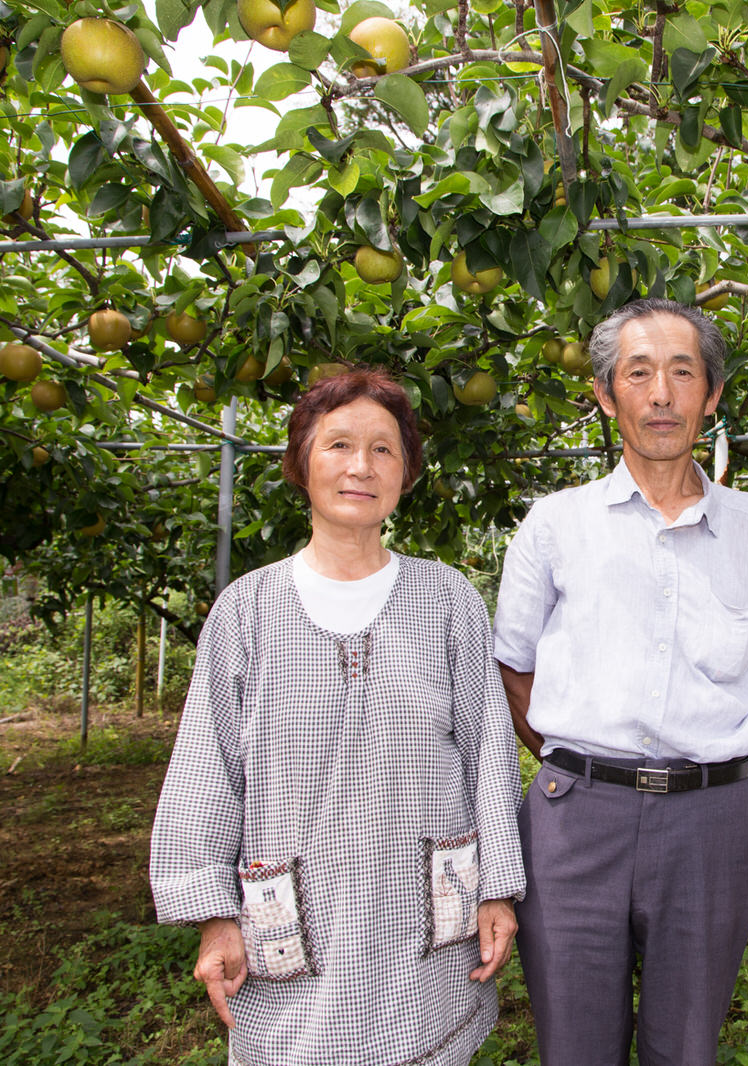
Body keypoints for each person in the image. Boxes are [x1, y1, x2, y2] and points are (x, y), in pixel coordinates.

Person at [149, 368, 525, 1066]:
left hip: (418, 924)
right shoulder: (247, 611)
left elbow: (490, 758)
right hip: (295, 933)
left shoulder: (447, 601)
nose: (362, 466)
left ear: (407, 472)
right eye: (339, 445)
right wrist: (213, 918)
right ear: (301, 462)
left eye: (384, 449)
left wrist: (498, 891)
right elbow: (208, 769)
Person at [493, 298, 748, 1066]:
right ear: (607, 396)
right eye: (639, 374)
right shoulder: (556, 524)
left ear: (712, 395)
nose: (662, 394)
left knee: (686, 1047)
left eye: (683, 372)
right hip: (575, 824)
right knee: (575, 1045)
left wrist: (705, 745)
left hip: (710, 823)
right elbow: (513, 664)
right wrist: (581, 769)